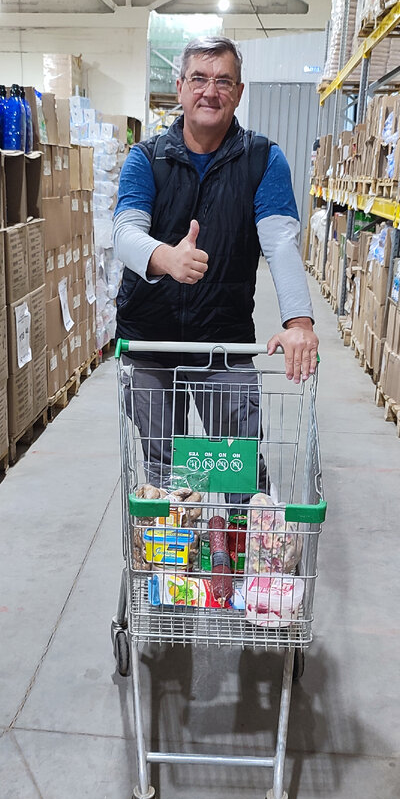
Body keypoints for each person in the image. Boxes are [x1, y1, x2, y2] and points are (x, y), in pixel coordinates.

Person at [114, 35, 317, 495]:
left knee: (238, 464)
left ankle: (243, 536)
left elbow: (281, 243)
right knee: (165, 476)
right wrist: (165, 257)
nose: (211, 91)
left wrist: (299, 323)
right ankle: (176, 540)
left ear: (239, 92)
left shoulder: (262, 160)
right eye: (199, 79)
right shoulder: (146, 158)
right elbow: (125, 233)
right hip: (150, 340)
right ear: (181, 88)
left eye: (224, 81)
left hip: (223, 339)